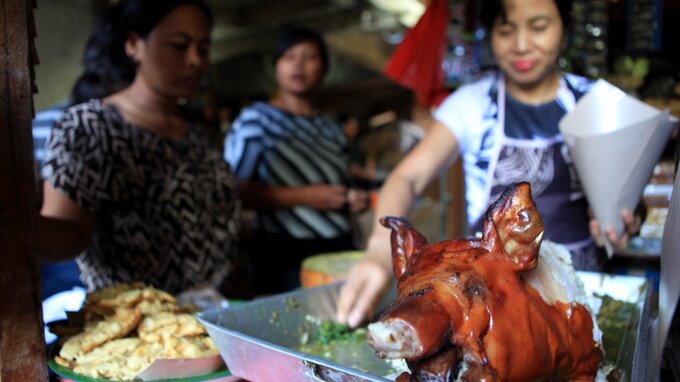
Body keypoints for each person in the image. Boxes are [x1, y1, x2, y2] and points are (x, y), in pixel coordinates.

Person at [336, 0, 642, 328]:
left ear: (565, 30)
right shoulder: (473, 104)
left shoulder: (594, 102)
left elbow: (627, 199)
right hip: (490, 292)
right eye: (506, 31)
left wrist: (623, 224)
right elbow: (408, 177)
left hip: (579, 286)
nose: (522, 45)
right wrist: (381, 249)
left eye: (539, 27)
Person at [39, 0, 242, 297]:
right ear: (134, 44)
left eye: (203, 48)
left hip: (212, 315)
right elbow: (68, 232)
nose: (195, 60)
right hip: (139, 325)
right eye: (179, 45)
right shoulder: (90, 127)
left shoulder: (199, 130)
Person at [224, 28, 369, 294]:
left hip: (338, 248)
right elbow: (234, 189)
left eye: (309, 57)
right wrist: (305, 196)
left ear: (324, 68)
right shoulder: (256, 120)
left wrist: (353, 198)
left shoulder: (330, 127)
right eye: (290, 56)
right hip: (283, 253)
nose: (299, 64)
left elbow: (342, 178)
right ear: (276, 66)